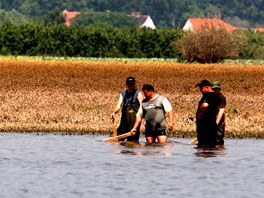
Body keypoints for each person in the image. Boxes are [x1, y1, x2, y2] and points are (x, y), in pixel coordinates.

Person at [110, 76, 144, 142]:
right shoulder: (123, 93)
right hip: (124, 122)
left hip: (134, 123)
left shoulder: (138, 94)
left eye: (132, 84)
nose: (131, 86)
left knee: (132, 143)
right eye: (129, 84)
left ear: (134, 84)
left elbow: (142, 107)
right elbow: (118, 105)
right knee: (115, 140)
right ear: (126, 84)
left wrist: (142, 120)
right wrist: (113, 112)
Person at [195, 79, 222, 146]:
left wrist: (199, 115)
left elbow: (204, 105)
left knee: (203, 147)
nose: (200, 90)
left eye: (201, 88)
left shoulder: (208, 95)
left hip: (205, 127)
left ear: (207, 87)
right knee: (211, 145)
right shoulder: (217, 97)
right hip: (212, 125)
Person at [211, 81, 226, 145]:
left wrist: (216, 123)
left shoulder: (221, 98)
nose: (215, 90)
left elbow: (221, 110)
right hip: (212, 119)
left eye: (217, 89)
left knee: (218, 137)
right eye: (214, 89)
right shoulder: (211, 97)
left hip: (219, 120)